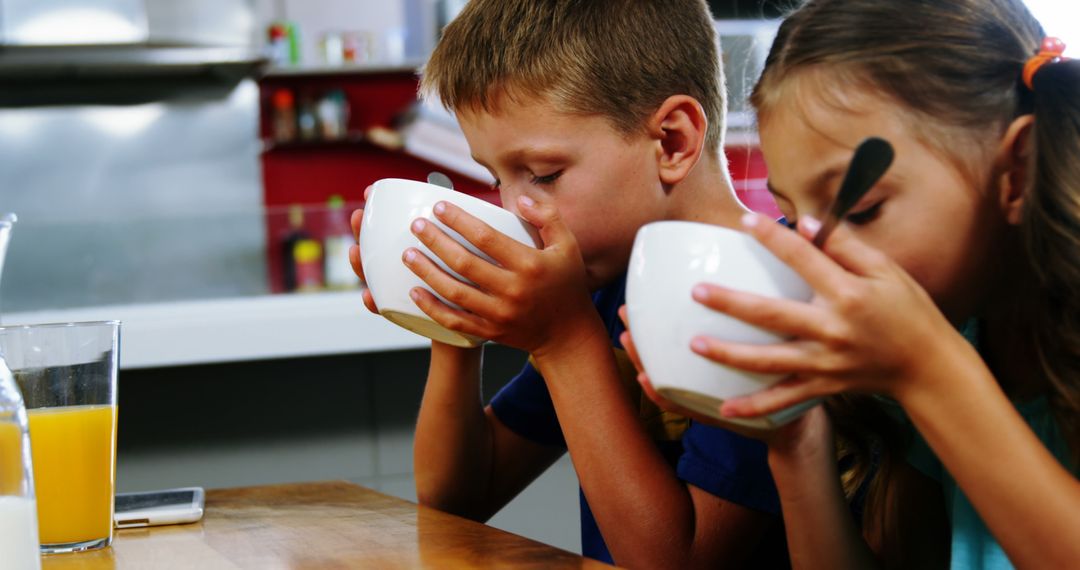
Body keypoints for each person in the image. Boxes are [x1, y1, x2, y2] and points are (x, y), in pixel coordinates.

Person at [627, 0, 1079, 568]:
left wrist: (927, 371)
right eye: (793, 216)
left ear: (1021, 169)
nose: (815, 260)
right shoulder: (951, 341)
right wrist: (793, 440)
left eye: (860, 209)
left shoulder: (931, 357)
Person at [347, 1, 792, 567]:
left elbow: (676, 561)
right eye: (496, 177)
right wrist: (452, 320)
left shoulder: (761, 291)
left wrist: (563, 341)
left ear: (673, 142)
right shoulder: (606, 287)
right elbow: (457, 497)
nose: (515, 209)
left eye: (544, 175)